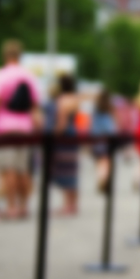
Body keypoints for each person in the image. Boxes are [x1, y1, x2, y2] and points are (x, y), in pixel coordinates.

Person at [0, 40, 41, 219]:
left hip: (5, 127)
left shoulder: (2, 75)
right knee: (23, 168)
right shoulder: (29, 76)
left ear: (5, 55)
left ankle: (11, 207)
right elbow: (35, 105)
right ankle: (24, 205)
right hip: (25, 127)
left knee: (9, 169)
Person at [49, 74, 80, 215]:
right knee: (72, 169)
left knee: (64, 169)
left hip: (65, 135)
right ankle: (73, 204)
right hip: (73, 133)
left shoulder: (62, 100)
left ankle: (67, 204)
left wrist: (54, 135)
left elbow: (61, 122)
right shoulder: (74, 98)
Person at [90, 88, 117, 193]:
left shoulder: (96, 107)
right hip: (108, 137)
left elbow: (92, 124)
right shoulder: (110, 107)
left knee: (99, 162)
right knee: (106, 162)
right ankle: (104, 179)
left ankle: (100, 178)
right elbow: (113, 123)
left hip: (97, 137)